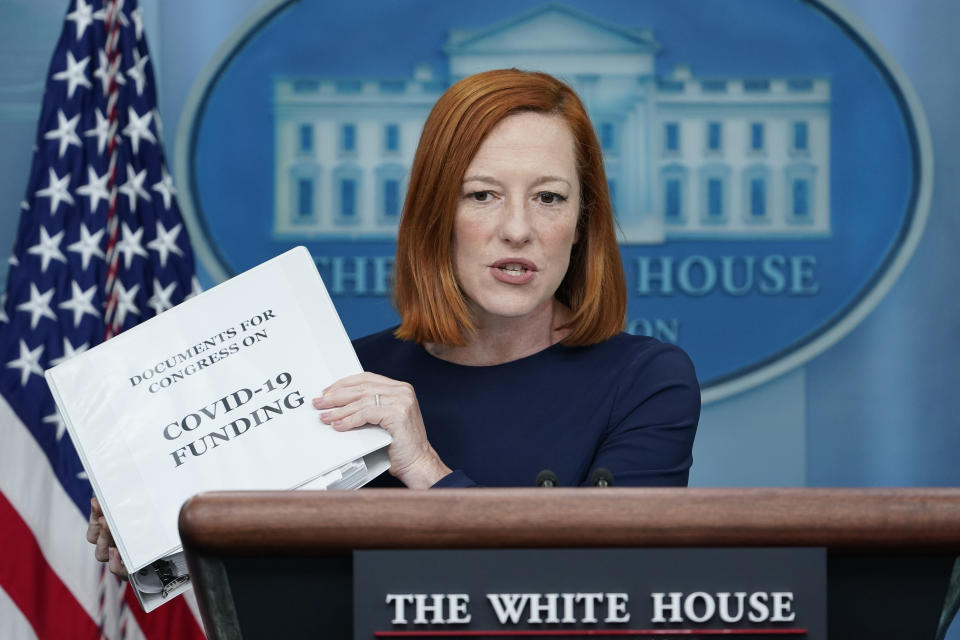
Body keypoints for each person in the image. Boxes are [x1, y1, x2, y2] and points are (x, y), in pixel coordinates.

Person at [87, 69, 700, 576]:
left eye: (549, 197)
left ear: (582, 220)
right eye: (482, 194)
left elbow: (609, 595)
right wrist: (162, 543)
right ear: (435, 213)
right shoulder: (339, 378)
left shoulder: (647, 380)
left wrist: (426, 470)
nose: (519, 228)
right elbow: (280, 589)